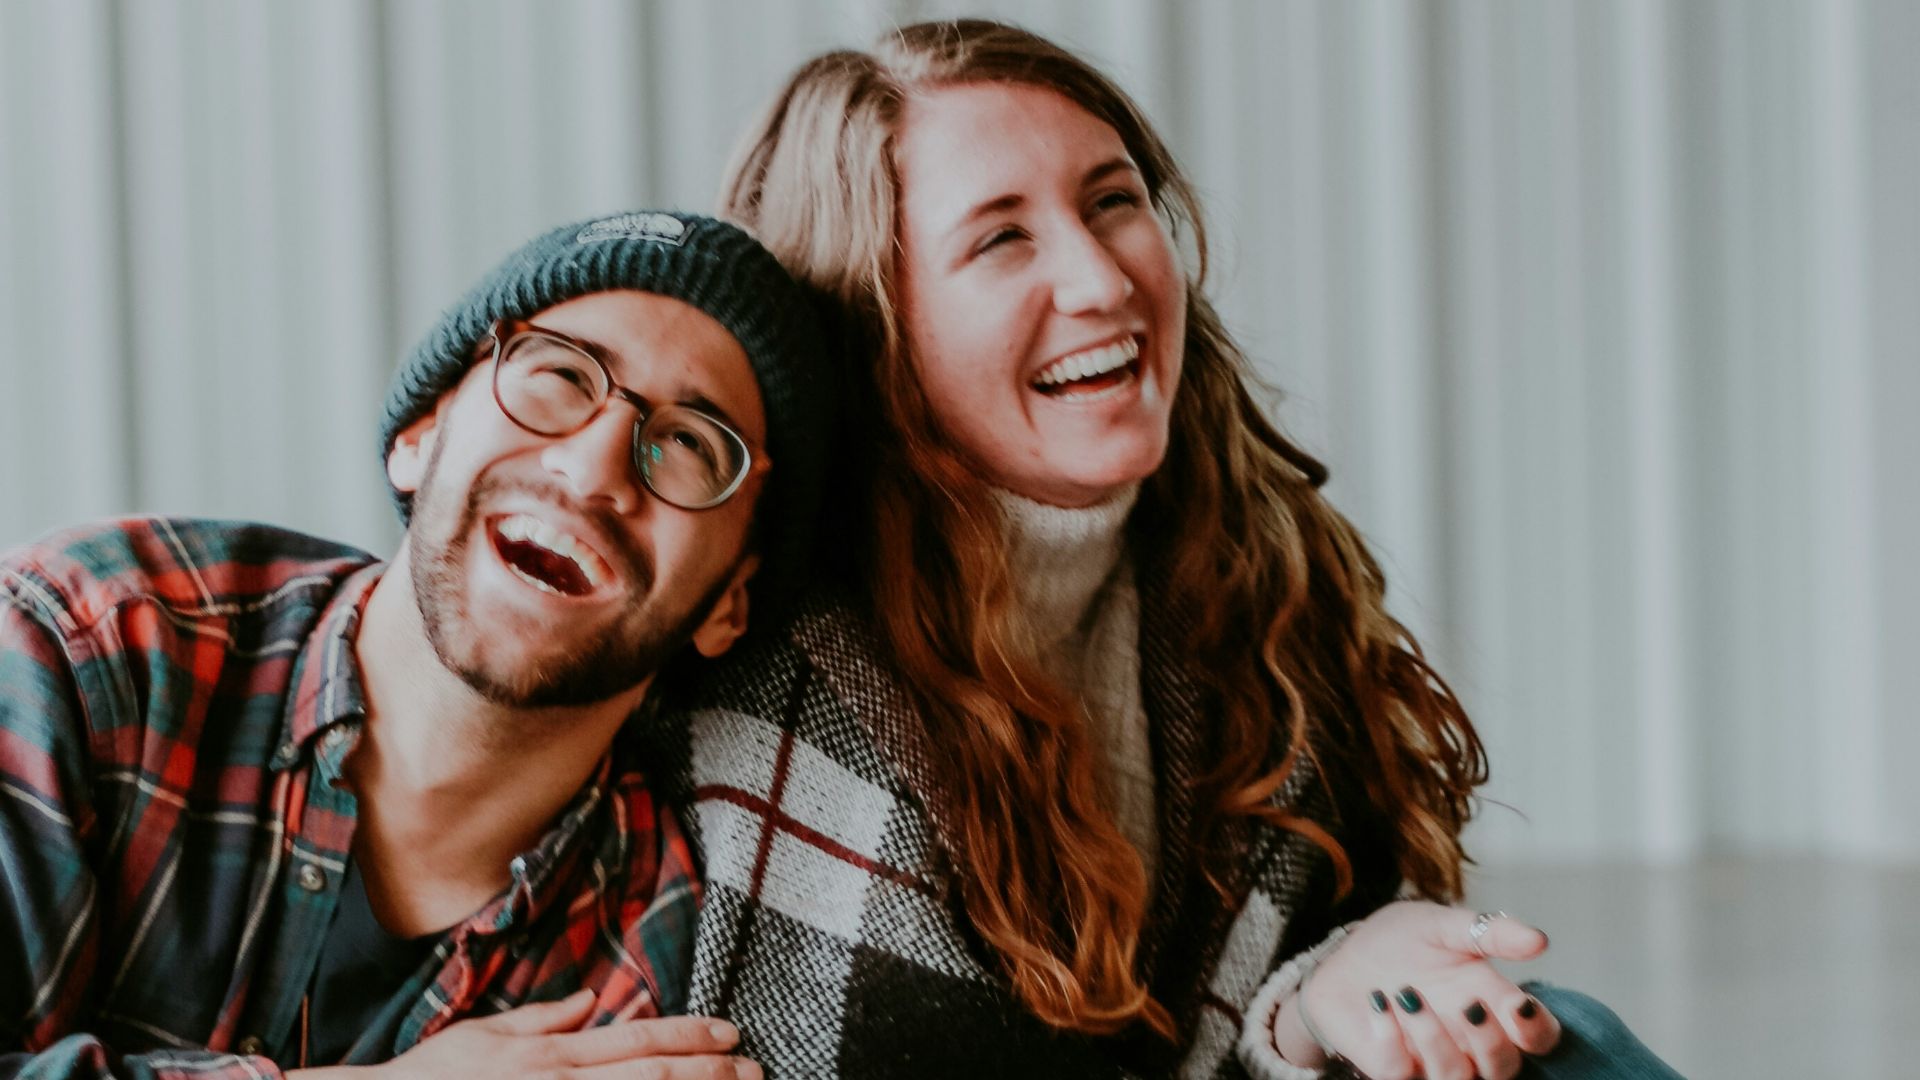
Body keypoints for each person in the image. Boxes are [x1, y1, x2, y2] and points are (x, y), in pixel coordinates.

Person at [644, 19, 1685, 1080]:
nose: (1102, 281)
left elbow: (1283, 984)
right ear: (872, 321)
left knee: (1555, 1047)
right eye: (1002, 239)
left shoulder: (1250, 572)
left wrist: (1326, 993)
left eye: (1113, 201)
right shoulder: (758, 662)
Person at [0, 211, 832, 1080]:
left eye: (693, 446)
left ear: (728, 605)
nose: (591, 472)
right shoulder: (86, 646)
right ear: (420, 436)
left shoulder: (647, 978)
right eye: (558, 375)